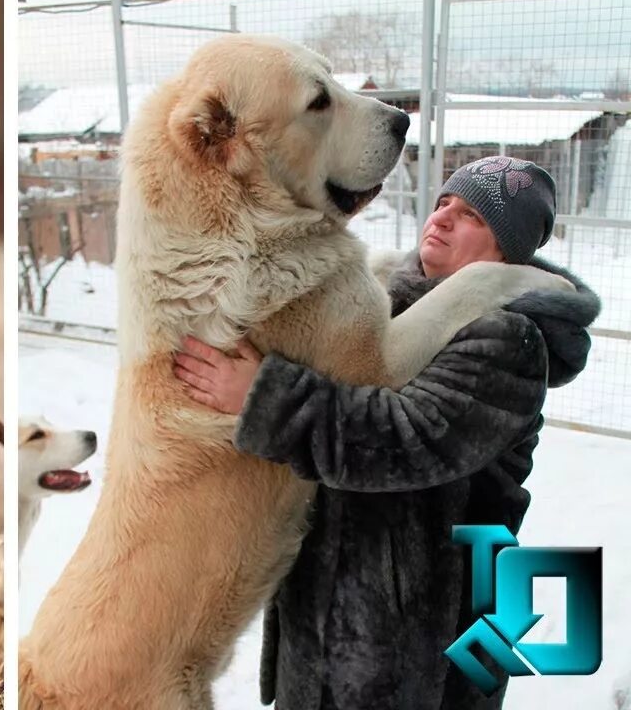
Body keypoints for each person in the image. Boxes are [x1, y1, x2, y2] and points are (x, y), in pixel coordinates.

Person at [172, 156, 600, 710]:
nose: (441, 218)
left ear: (507, 249)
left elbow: (404, 441)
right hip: (330, 612)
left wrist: (266, 398)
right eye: (443, 202)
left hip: (423, 637)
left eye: (469, 214)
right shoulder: (382, 302)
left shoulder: (508, 340)